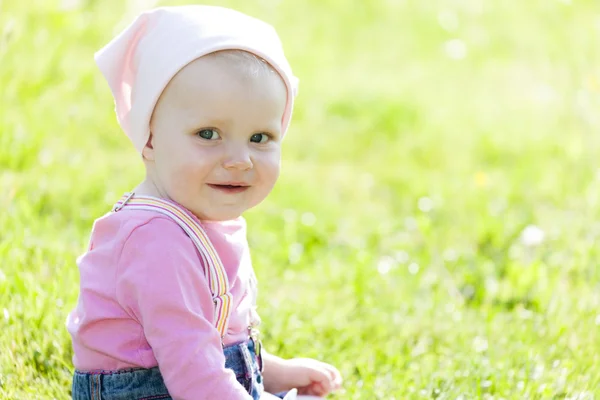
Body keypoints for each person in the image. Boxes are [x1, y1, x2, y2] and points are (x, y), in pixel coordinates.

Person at [66, 5, 343, 400]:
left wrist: (271, 371)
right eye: (208, 133)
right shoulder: (155, 241)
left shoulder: (209, 218)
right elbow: (194, 376)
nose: (239, 159)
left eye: (260, 138)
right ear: (149, 138)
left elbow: (210, 338)